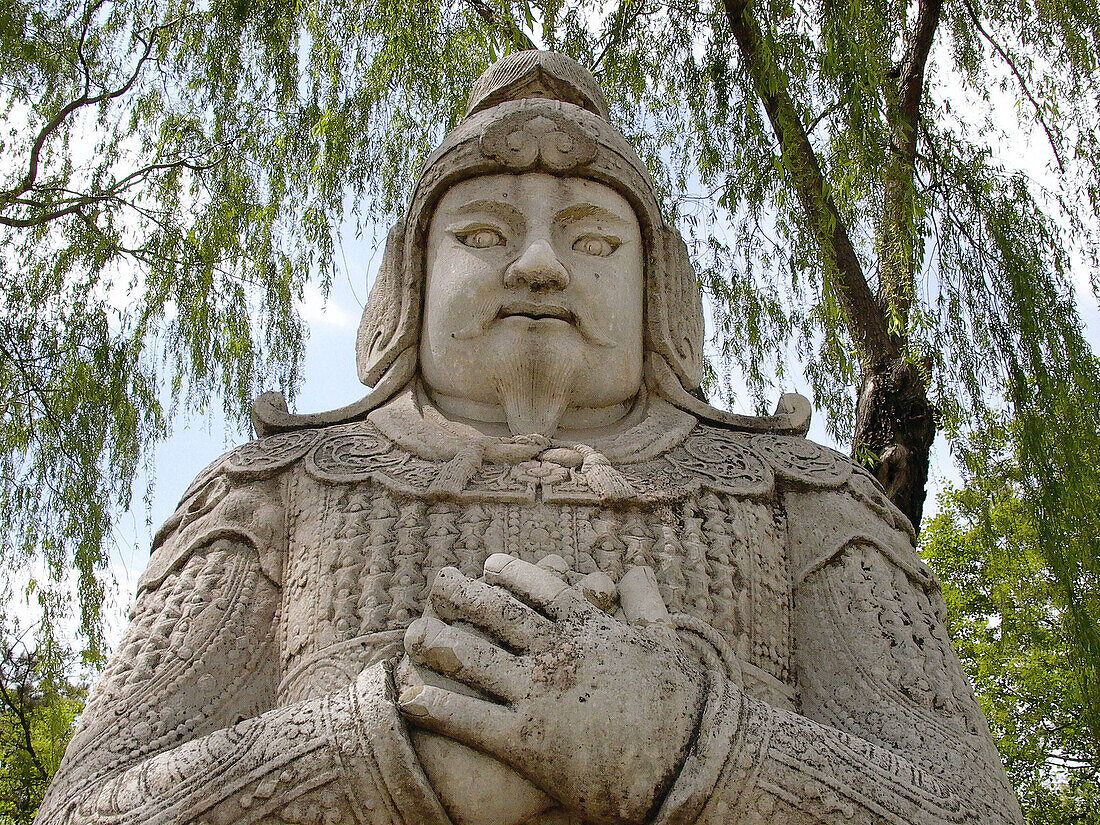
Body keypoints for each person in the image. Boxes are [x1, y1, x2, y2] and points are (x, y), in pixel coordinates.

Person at [37, 51, 1023, 825]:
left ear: (656, 290)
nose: (541, 265)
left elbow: (968, 809)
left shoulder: (800, 497)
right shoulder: (271, 489)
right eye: (481, 234)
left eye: (593, 239)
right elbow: (87, 810)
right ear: (410, 281)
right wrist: (394, 746)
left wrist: (686, 745)